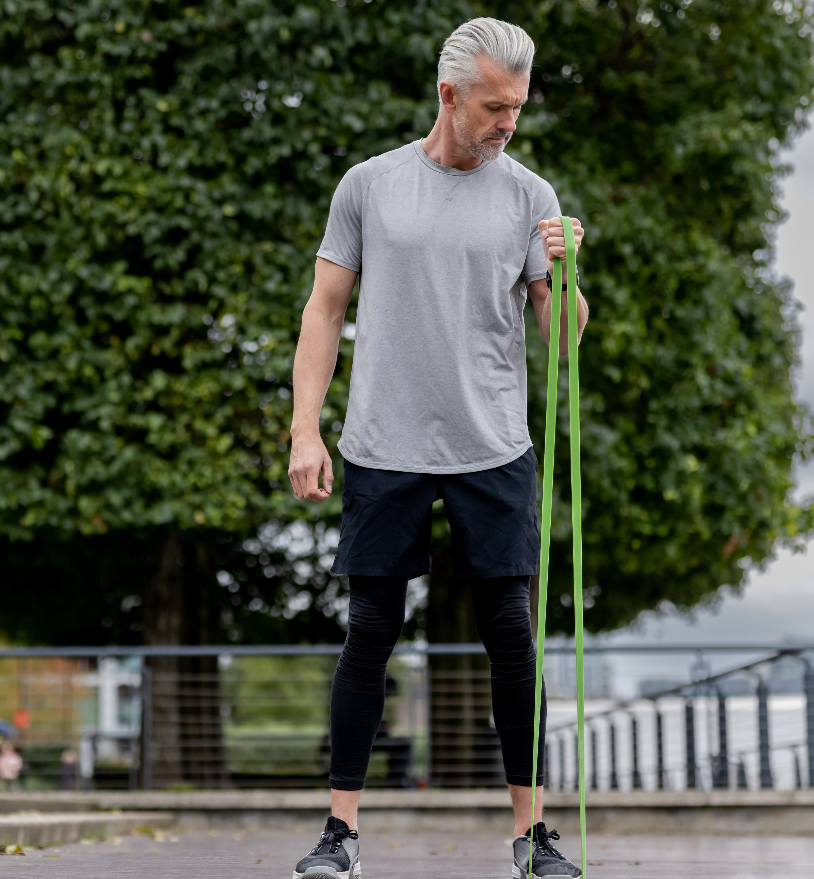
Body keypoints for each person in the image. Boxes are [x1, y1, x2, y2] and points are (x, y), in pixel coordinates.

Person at [286, 17, 587, 879]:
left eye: (519, 108)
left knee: (511, 632)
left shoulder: (531, 194)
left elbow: (561, 338)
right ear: (448, 95)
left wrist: (567, 275)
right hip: (386, 442)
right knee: (371, 628)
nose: (509, 123)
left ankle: (532, 837)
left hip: (494, 442)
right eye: (495, 107)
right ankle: (339, 832)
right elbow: (324, 310)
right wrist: (305, 428)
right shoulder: (371, 185)